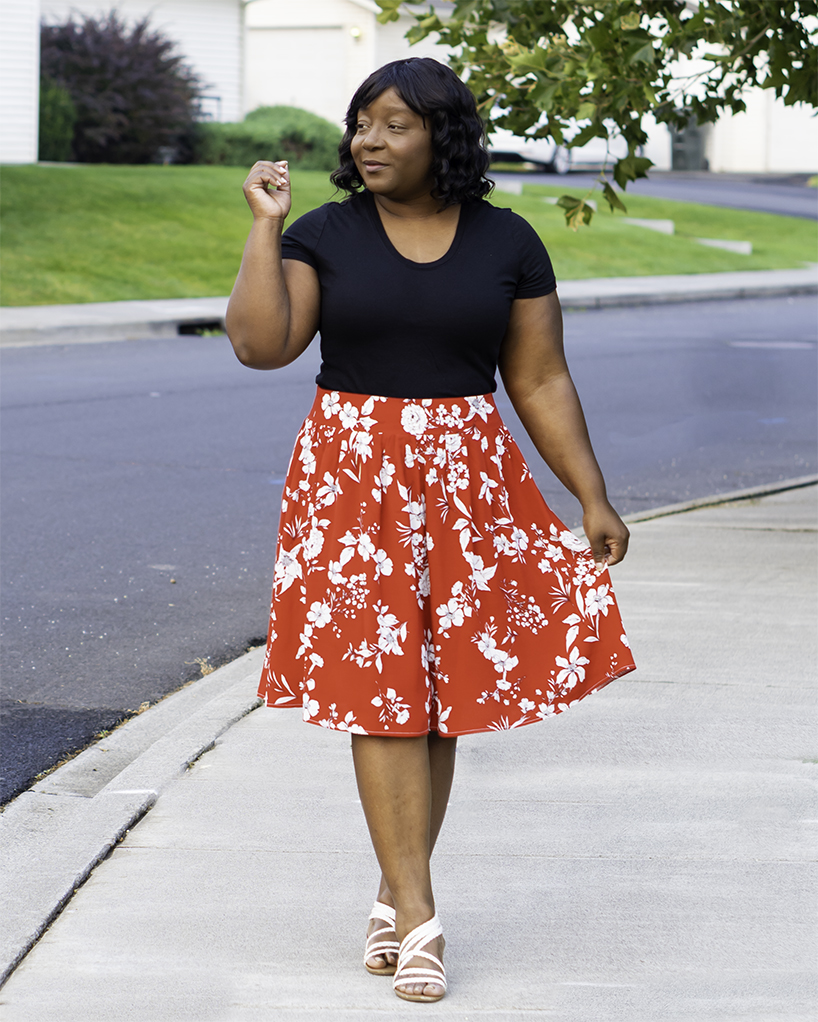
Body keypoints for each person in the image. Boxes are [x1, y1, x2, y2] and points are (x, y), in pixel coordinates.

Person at [225, 57, 635, 1004]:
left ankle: (393, 890)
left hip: (469, 479)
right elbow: (260, 344)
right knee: (380, 692)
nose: (370, 141)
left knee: (441, 696)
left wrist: (591, 494)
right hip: (352, 480)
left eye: (395, 125)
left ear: (442, 136)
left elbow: (538, 379)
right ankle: (418, 915)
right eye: (362, 124)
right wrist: (264, 228)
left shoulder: (509, 240)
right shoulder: (325, 233)